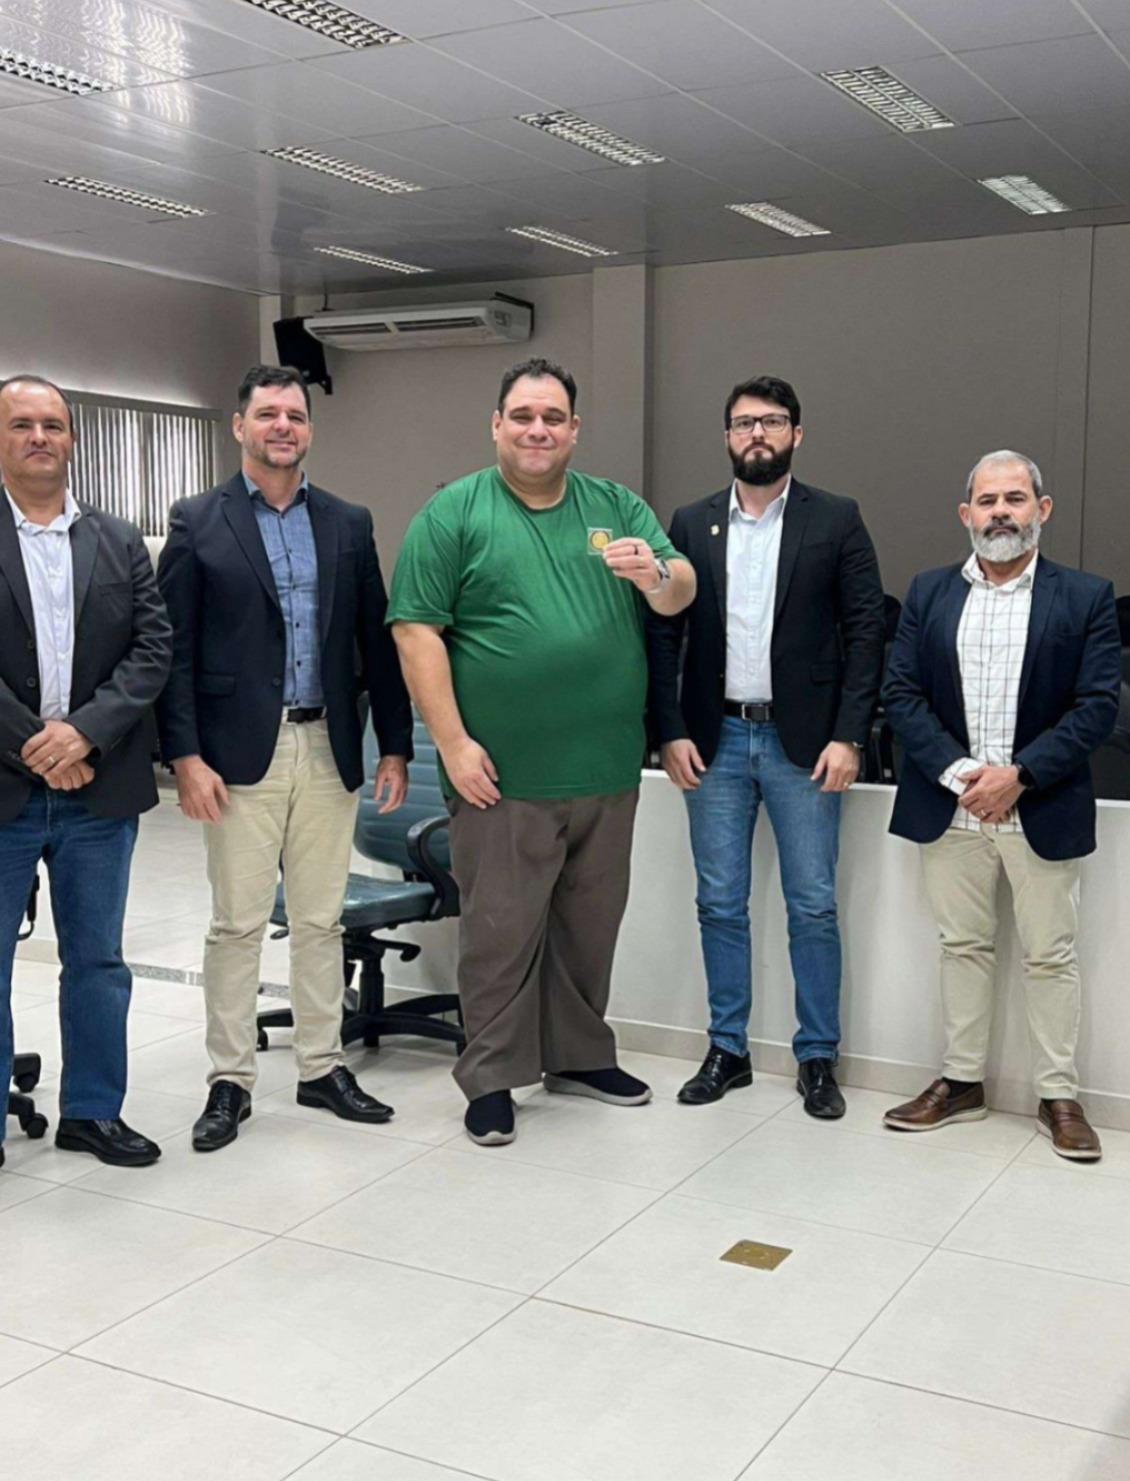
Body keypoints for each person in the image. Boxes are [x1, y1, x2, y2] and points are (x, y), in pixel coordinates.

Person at [389, 357, 696, 1146]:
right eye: (522, 415)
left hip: (605, 768)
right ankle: (491, 1078)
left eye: (552, 417)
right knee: (499, 931)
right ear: (496, 424)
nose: (537, 429)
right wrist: (452, 745)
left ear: (574, 429)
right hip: (502, 775)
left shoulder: (614, 505)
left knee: (589, 925)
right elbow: (416, 632)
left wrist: (656, 571)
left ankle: (579, 1055)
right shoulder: (453, 512)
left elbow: (681, 585)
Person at [156, 365, 412, 1152]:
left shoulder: (345, 520)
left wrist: (395, 743)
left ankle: (321, 1065)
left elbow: (377, 640)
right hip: (237, 756)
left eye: (294, 415)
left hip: (328, 743)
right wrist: (185, 757)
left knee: (318, 919)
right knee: (236, 923)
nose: (282, 427)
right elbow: (172, 652)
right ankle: (230, 1081)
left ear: (309, 428)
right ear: (239, 425)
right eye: (267, 413)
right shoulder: (198, 520)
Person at [647, 375, 885, 1117]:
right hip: (713, 740)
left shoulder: (836, 518)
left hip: (805, 744)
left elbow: (867, 631)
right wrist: (669, 729)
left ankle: (817, 1057)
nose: (758, 433)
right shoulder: (689, 522)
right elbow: (662, 631)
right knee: (719, 900)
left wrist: (851, 735)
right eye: (745, 422)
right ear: (726, 436)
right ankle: (728, 1049)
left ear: (796, 435)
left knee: (811, 904)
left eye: (772, 422)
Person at [882, 450, 1119, 1161]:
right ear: (966, 514)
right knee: (962, 947)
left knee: (1051, 955)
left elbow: (1098, 706)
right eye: (987, 501)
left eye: (1015, 499)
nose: (1000, 513)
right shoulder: (927, 593)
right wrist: (964, 774)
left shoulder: (1085, 596)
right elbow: (901, 695)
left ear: (1042, 510)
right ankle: (960, 1084)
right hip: (950, 808)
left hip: (1039, 805)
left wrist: (1018, 775)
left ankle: (1059, 1095)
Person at [0, 374, 171, 1169]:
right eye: (23, 424)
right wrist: (38, 742)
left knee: (98, 959)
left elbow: (152, 649)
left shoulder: (117, 538)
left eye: (54, 425)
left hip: (99, 789)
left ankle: (93, 1112)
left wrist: (85, 735)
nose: (41, 437)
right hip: (5, 783)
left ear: (73, 439)